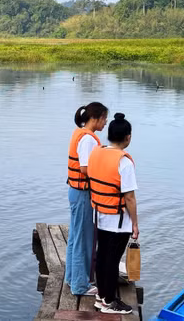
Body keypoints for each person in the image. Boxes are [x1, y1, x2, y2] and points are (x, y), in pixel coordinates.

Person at [88, 113, 138, 314]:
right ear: (128, 137)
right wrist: (135, 224)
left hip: (100, 214)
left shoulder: (97, 153)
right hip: (117, 220)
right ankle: (109, 301)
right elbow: (129, 198)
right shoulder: (123, 162)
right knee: (112, 260)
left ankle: (101, 296)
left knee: (102, 257)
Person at [64, 103, 108, 297]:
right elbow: (84, 168)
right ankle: (80, 286)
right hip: (82, 193)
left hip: (75, 190)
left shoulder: (79, 133)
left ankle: (72, 278)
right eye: (104, 118)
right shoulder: (88, 139)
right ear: (96, 118)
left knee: (75, 236)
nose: (105, 122)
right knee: (83, 238)